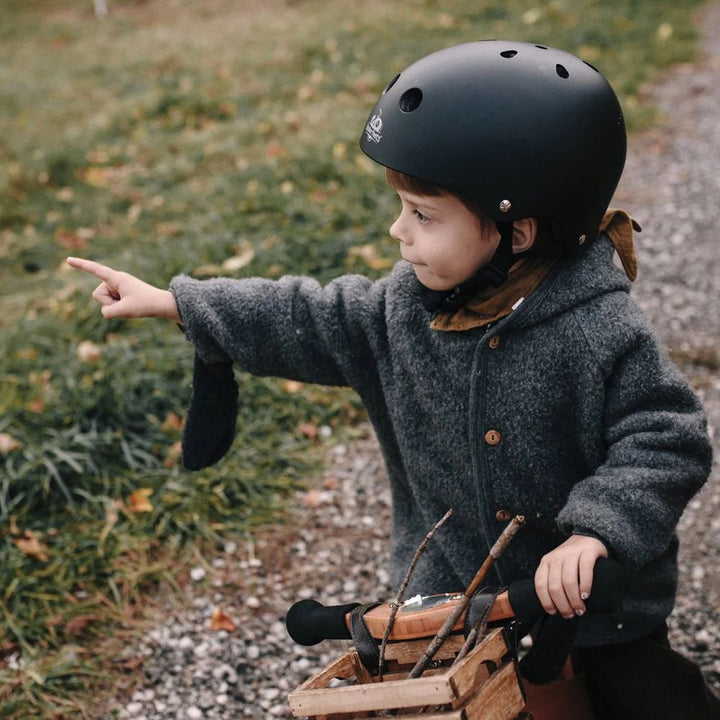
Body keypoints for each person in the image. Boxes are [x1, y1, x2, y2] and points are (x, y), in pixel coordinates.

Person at [68, 41, 718, 718]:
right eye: (403, 208)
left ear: (516, 232)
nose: (397, 232)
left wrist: (596, 532)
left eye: (423, 216)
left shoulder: (596, 329)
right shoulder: (403, 309)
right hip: (452, 609)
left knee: (647, 700)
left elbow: (666, 435)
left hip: (592, 609)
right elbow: (306, 318)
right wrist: (180, 302)